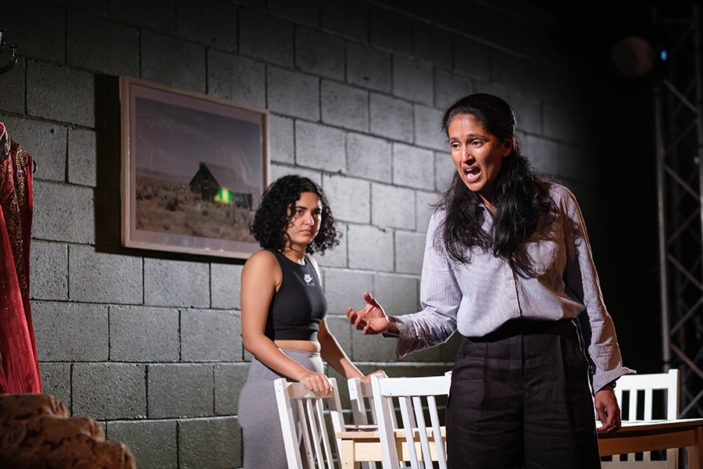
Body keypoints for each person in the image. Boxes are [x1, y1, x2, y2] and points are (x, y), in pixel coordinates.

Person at [346, 94, 634, 469]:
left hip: (555, 365)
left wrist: (605, 379)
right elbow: (442, 315)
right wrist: (394, 325)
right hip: (483, 369)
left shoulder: (556, 203)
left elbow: (591, 301)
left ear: (506, 145)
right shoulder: (446, 220)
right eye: (455, 144)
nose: (464, 155)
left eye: (475, 142)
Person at [237, 174, 377, 469]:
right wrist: (301, 374)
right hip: (272, 388)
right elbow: (252, 338)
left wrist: (357, 377)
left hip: (308, 386)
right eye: (299, 211)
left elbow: (322, 337)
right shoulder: (264, 262)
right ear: (280, 214)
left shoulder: (311, 264)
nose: (309, 221)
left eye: (316, 213)